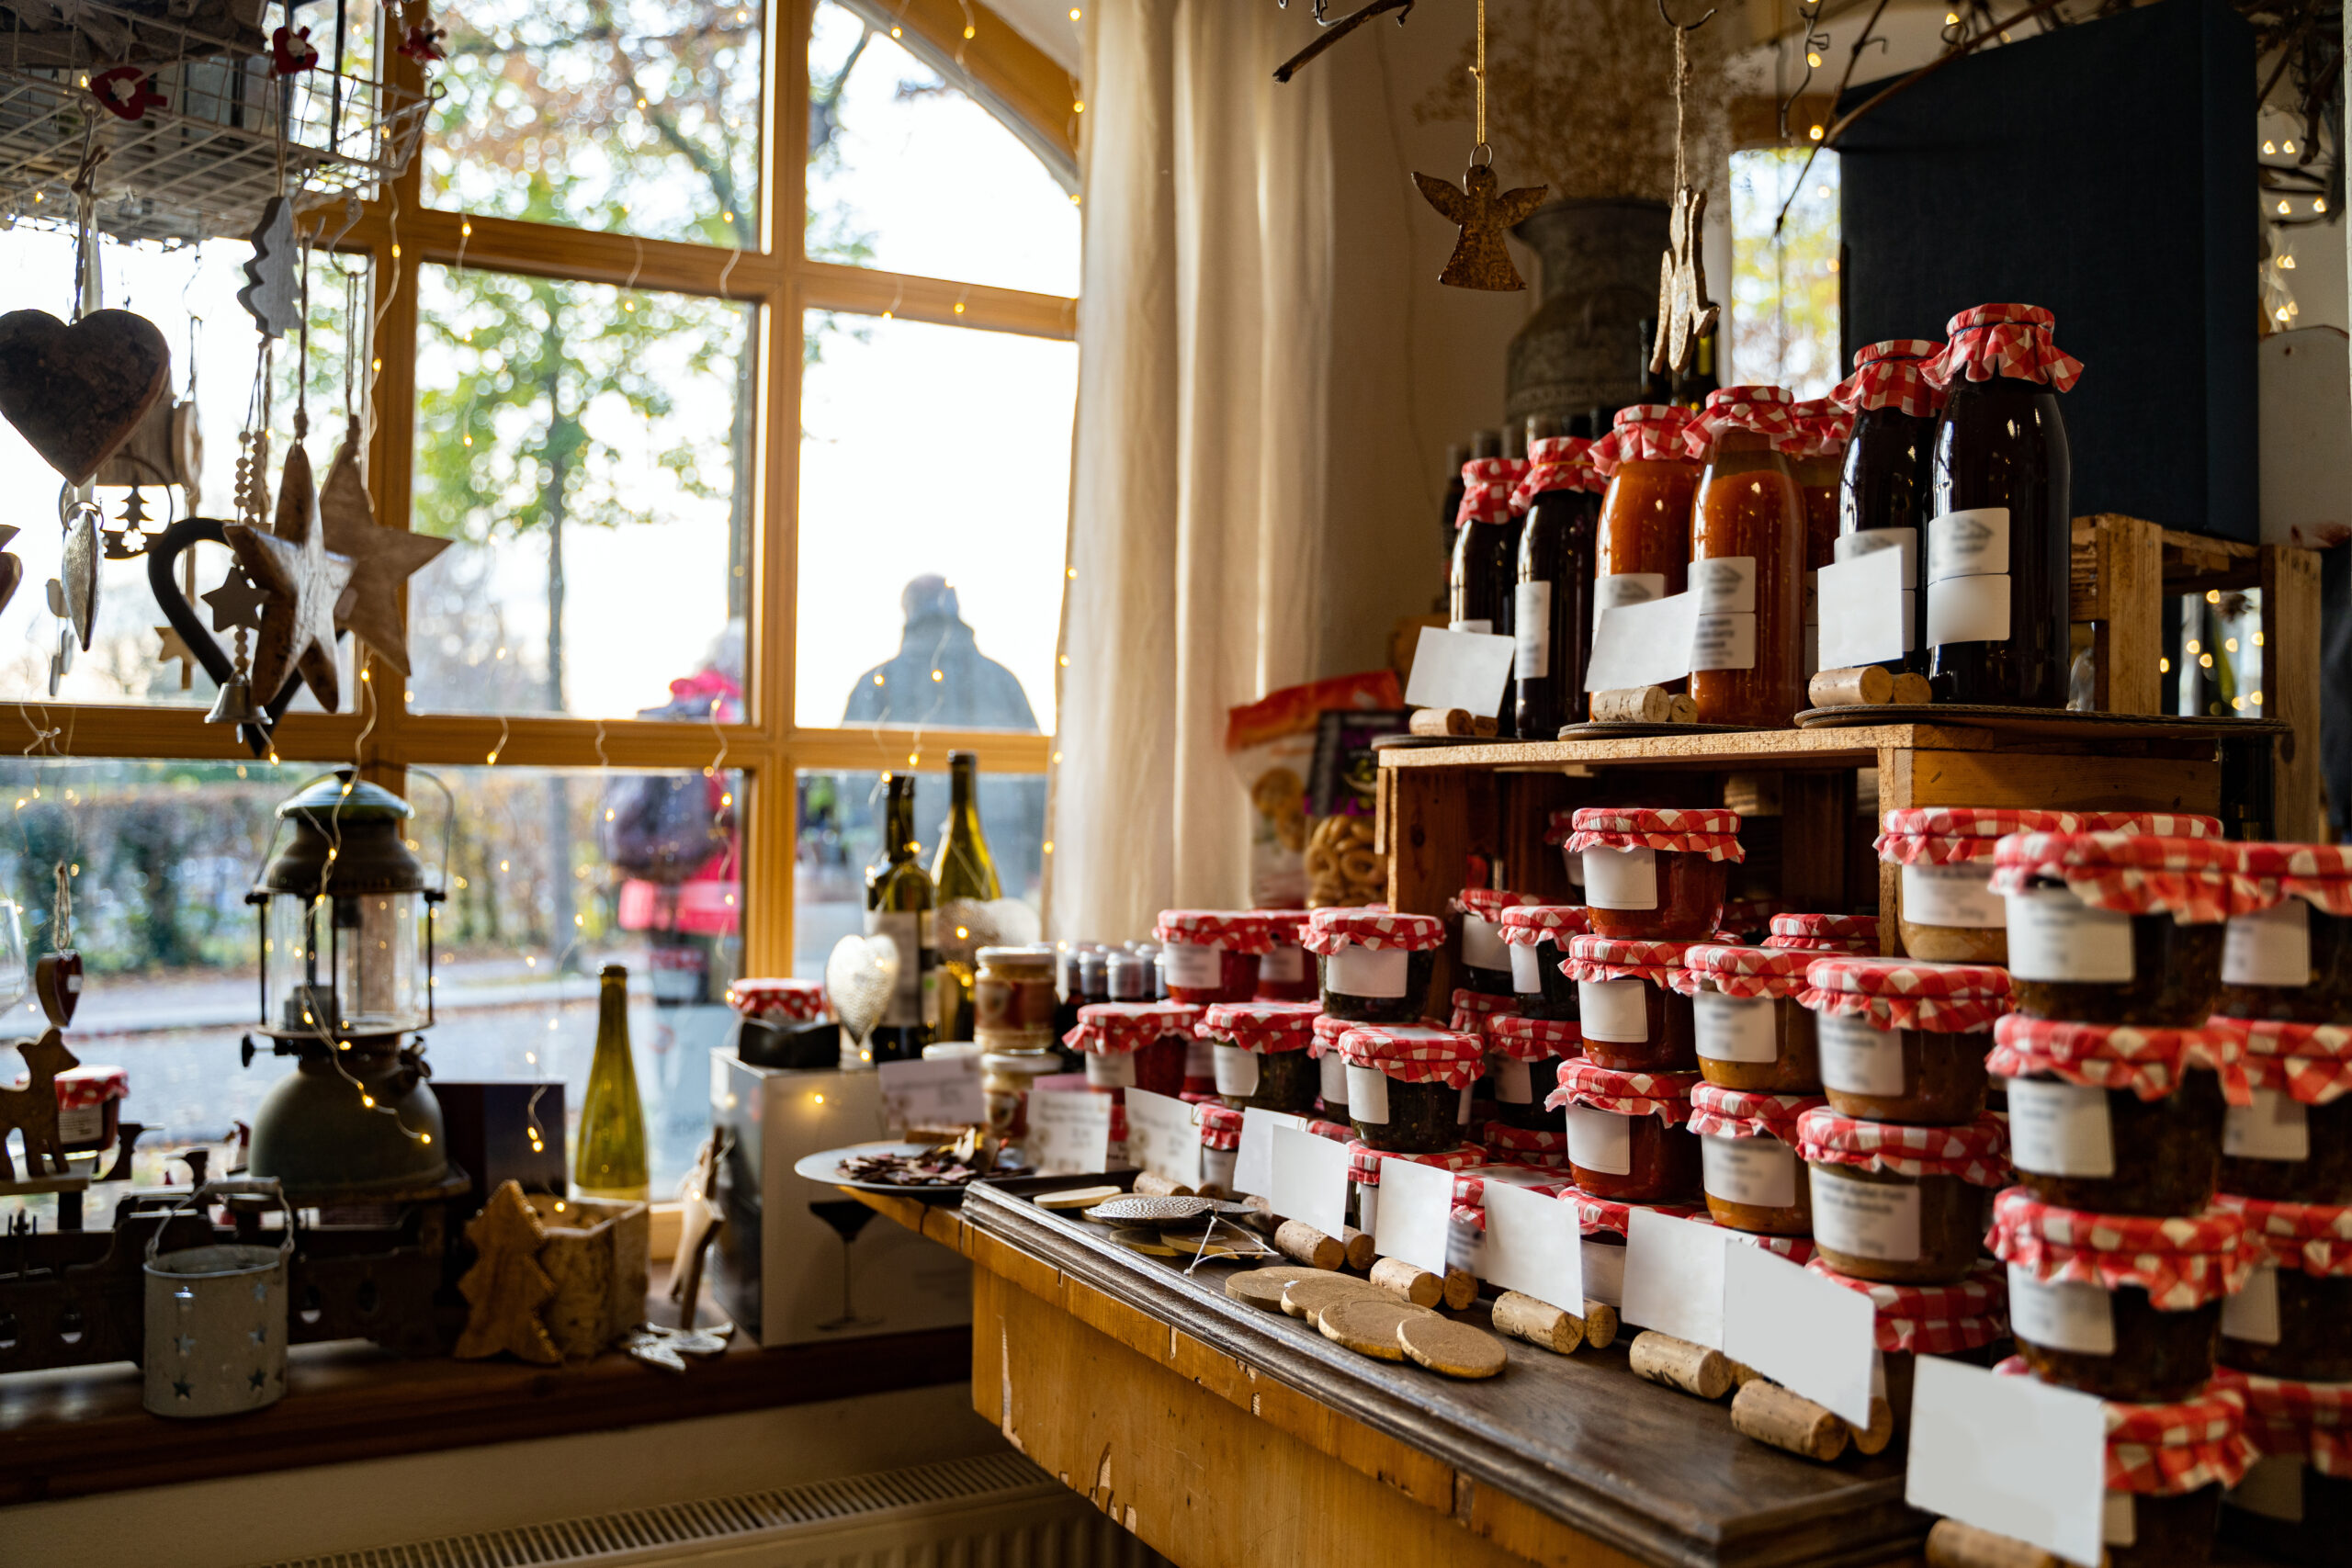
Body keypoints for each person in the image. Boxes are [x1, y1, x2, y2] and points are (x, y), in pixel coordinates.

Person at [842, 575, 1038, 732]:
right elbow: (1037, 762)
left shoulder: (874, 685)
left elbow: (846, 762)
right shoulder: (1001, 681)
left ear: (908, 610)